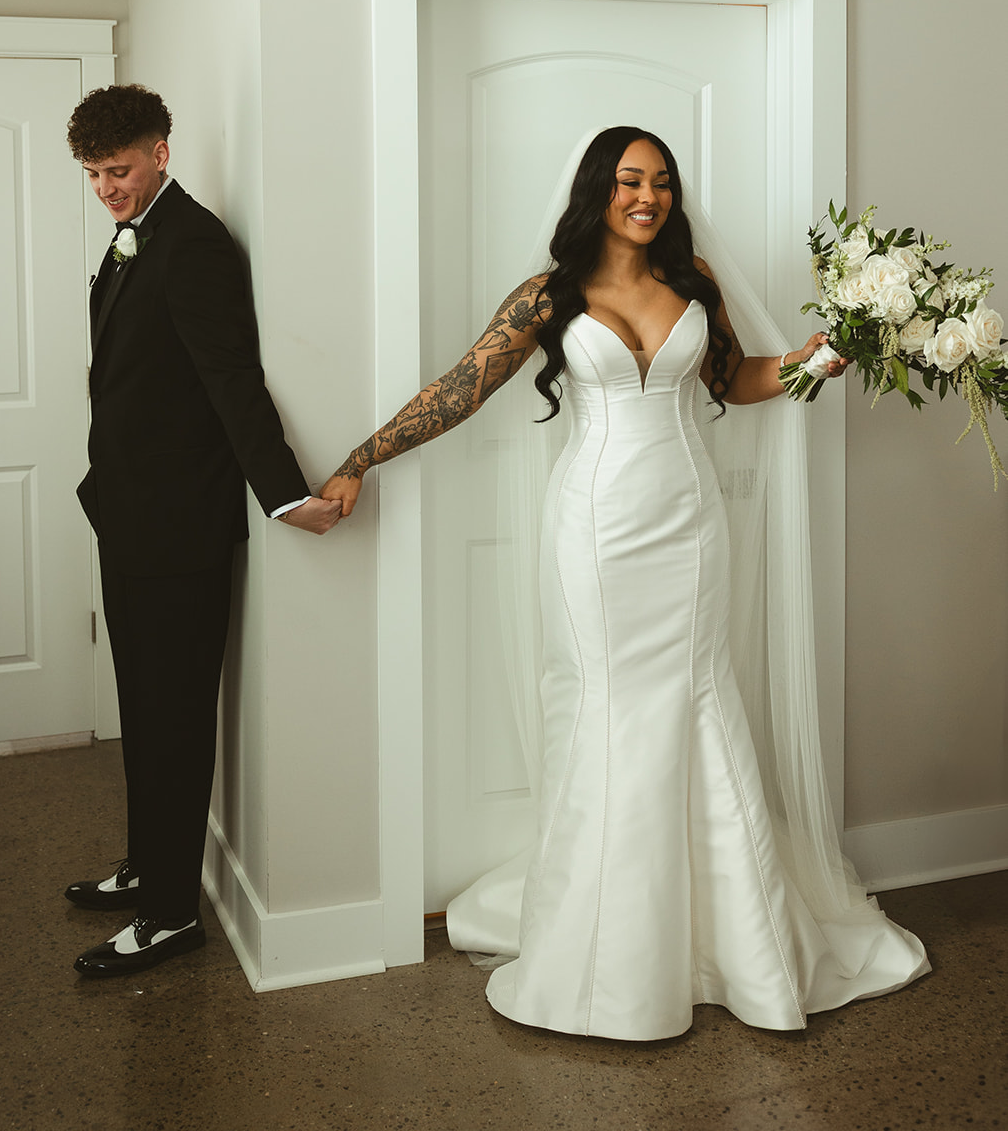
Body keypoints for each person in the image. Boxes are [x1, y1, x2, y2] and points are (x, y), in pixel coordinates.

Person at [321, 125, 929, 1040]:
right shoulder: (548, 295)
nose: (646, 197)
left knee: (696, 700)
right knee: (609, 707)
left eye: (660, 183)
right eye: (628, 180)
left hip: (689, 528)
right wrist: (360, 459)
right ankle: (603, 948)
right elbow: (460, 388)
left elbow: (735, 376)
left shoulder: (694, 286)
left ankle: (736, 943)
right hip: (594, 532)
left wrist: (809, 361)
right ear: (597, 190)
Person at [65, 84, 339, 977]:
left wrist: (286, 494)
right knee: (140, 707)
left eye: (120, 169)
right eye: (95, 174)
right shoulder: (131, 236)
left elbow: (231, 379)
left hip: (180, 525)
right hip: (129, 514)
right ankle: (149, 866)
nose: (108, 188)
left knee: (174, 714)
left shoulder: (194, 244)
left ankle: (173, 916)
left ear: (160, 153)